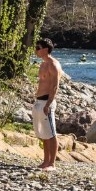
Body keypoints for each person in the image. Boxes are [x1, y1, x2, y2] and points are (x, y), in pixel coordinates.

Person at [33, 38, 61, 171]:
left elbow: (55, 86)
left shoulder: (53, 65)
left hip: (47, 102)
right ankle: (45, 161)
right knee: (44, 133)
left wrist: (48, 104)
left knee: (51, 132)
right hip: (39, 101)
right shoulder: (43, 64)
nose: (36, 50)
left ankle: (52, 163)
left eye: (38, 47)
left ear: (45, 49)